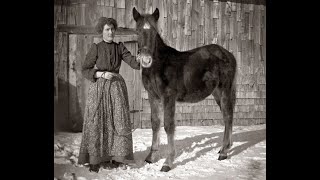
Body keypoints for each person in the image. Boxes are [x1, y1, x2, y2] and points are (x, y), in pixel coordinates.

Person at [78, 17, 141, 173]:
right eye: (107, 29)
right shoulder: (96, 48)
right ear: (102, 31)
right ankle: (94, 159)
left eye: (112, 29)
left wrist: (142, 59)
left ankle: (117, 156)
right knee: (97, 121)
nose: (110, 32)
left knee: (118, 120)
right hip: (99, 88)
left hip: (116, 89)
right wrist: (100, 74)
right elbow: (85, 69)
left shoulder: (120, 47)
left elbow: (134, 63)